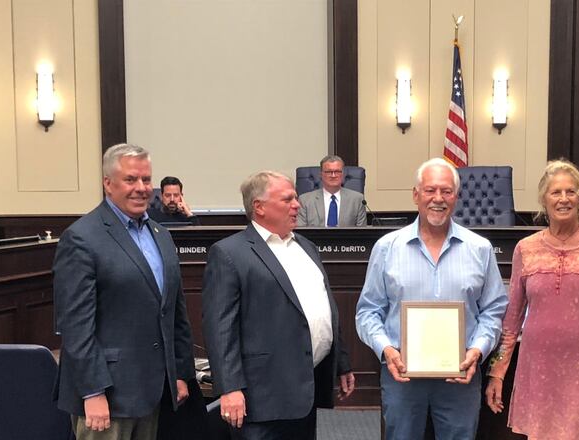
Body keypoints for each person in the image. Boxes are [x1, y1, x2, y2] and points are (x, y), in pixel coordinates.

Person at [355, 158, 508, 439]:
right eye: (430, 190)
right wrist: (386, 350)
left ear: (457, 197)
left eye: (446, 191)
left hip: (461, 375)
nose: (438, 199)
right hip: (401, 374)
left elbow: (494, 309)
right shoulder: (387, 248)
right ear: (416, 195)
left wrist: (478, 350)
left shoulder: (480, 249)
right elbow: (368, 311)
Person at [53, 143, 194, 439]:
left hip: (153, 389)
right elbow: (76, 326)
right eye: (131, 179)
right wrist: (92, 392)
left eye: (146, 179)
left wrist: (180, 373)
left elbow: (174, 311)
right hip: (107, 396)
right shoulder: (81, 238)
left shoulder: (161, 234)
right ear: (108, 183)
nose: (142, 188)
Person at [201, 171, 355, 439]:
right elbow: (219, 328)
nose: (297, 205)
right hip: (260, 399)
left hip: (306, 390)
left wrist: (340, 363)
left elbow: (324, 308)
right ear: (259, 206)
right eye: (288, 199)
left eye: (296, 198)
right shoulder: (229, 253)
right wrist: (229, 388)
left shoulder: (306, 247)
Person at [485, 159, 579, 439]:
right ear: (543, 200)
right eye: (556, 192)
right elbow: (511, 321)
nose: (564, 199)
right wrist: (497, 372)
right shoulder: (526, 249)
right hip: (538, 374)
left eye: (571, 192)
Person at [297, 155, 367, 227]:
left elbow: (361, 232)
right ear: (321, 174)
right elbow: (301, 233)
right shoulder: (305, 200)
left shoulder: (357, 200)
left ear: (342, 174)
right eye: (329, 172)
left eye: (337, 171)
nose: (333, 176)